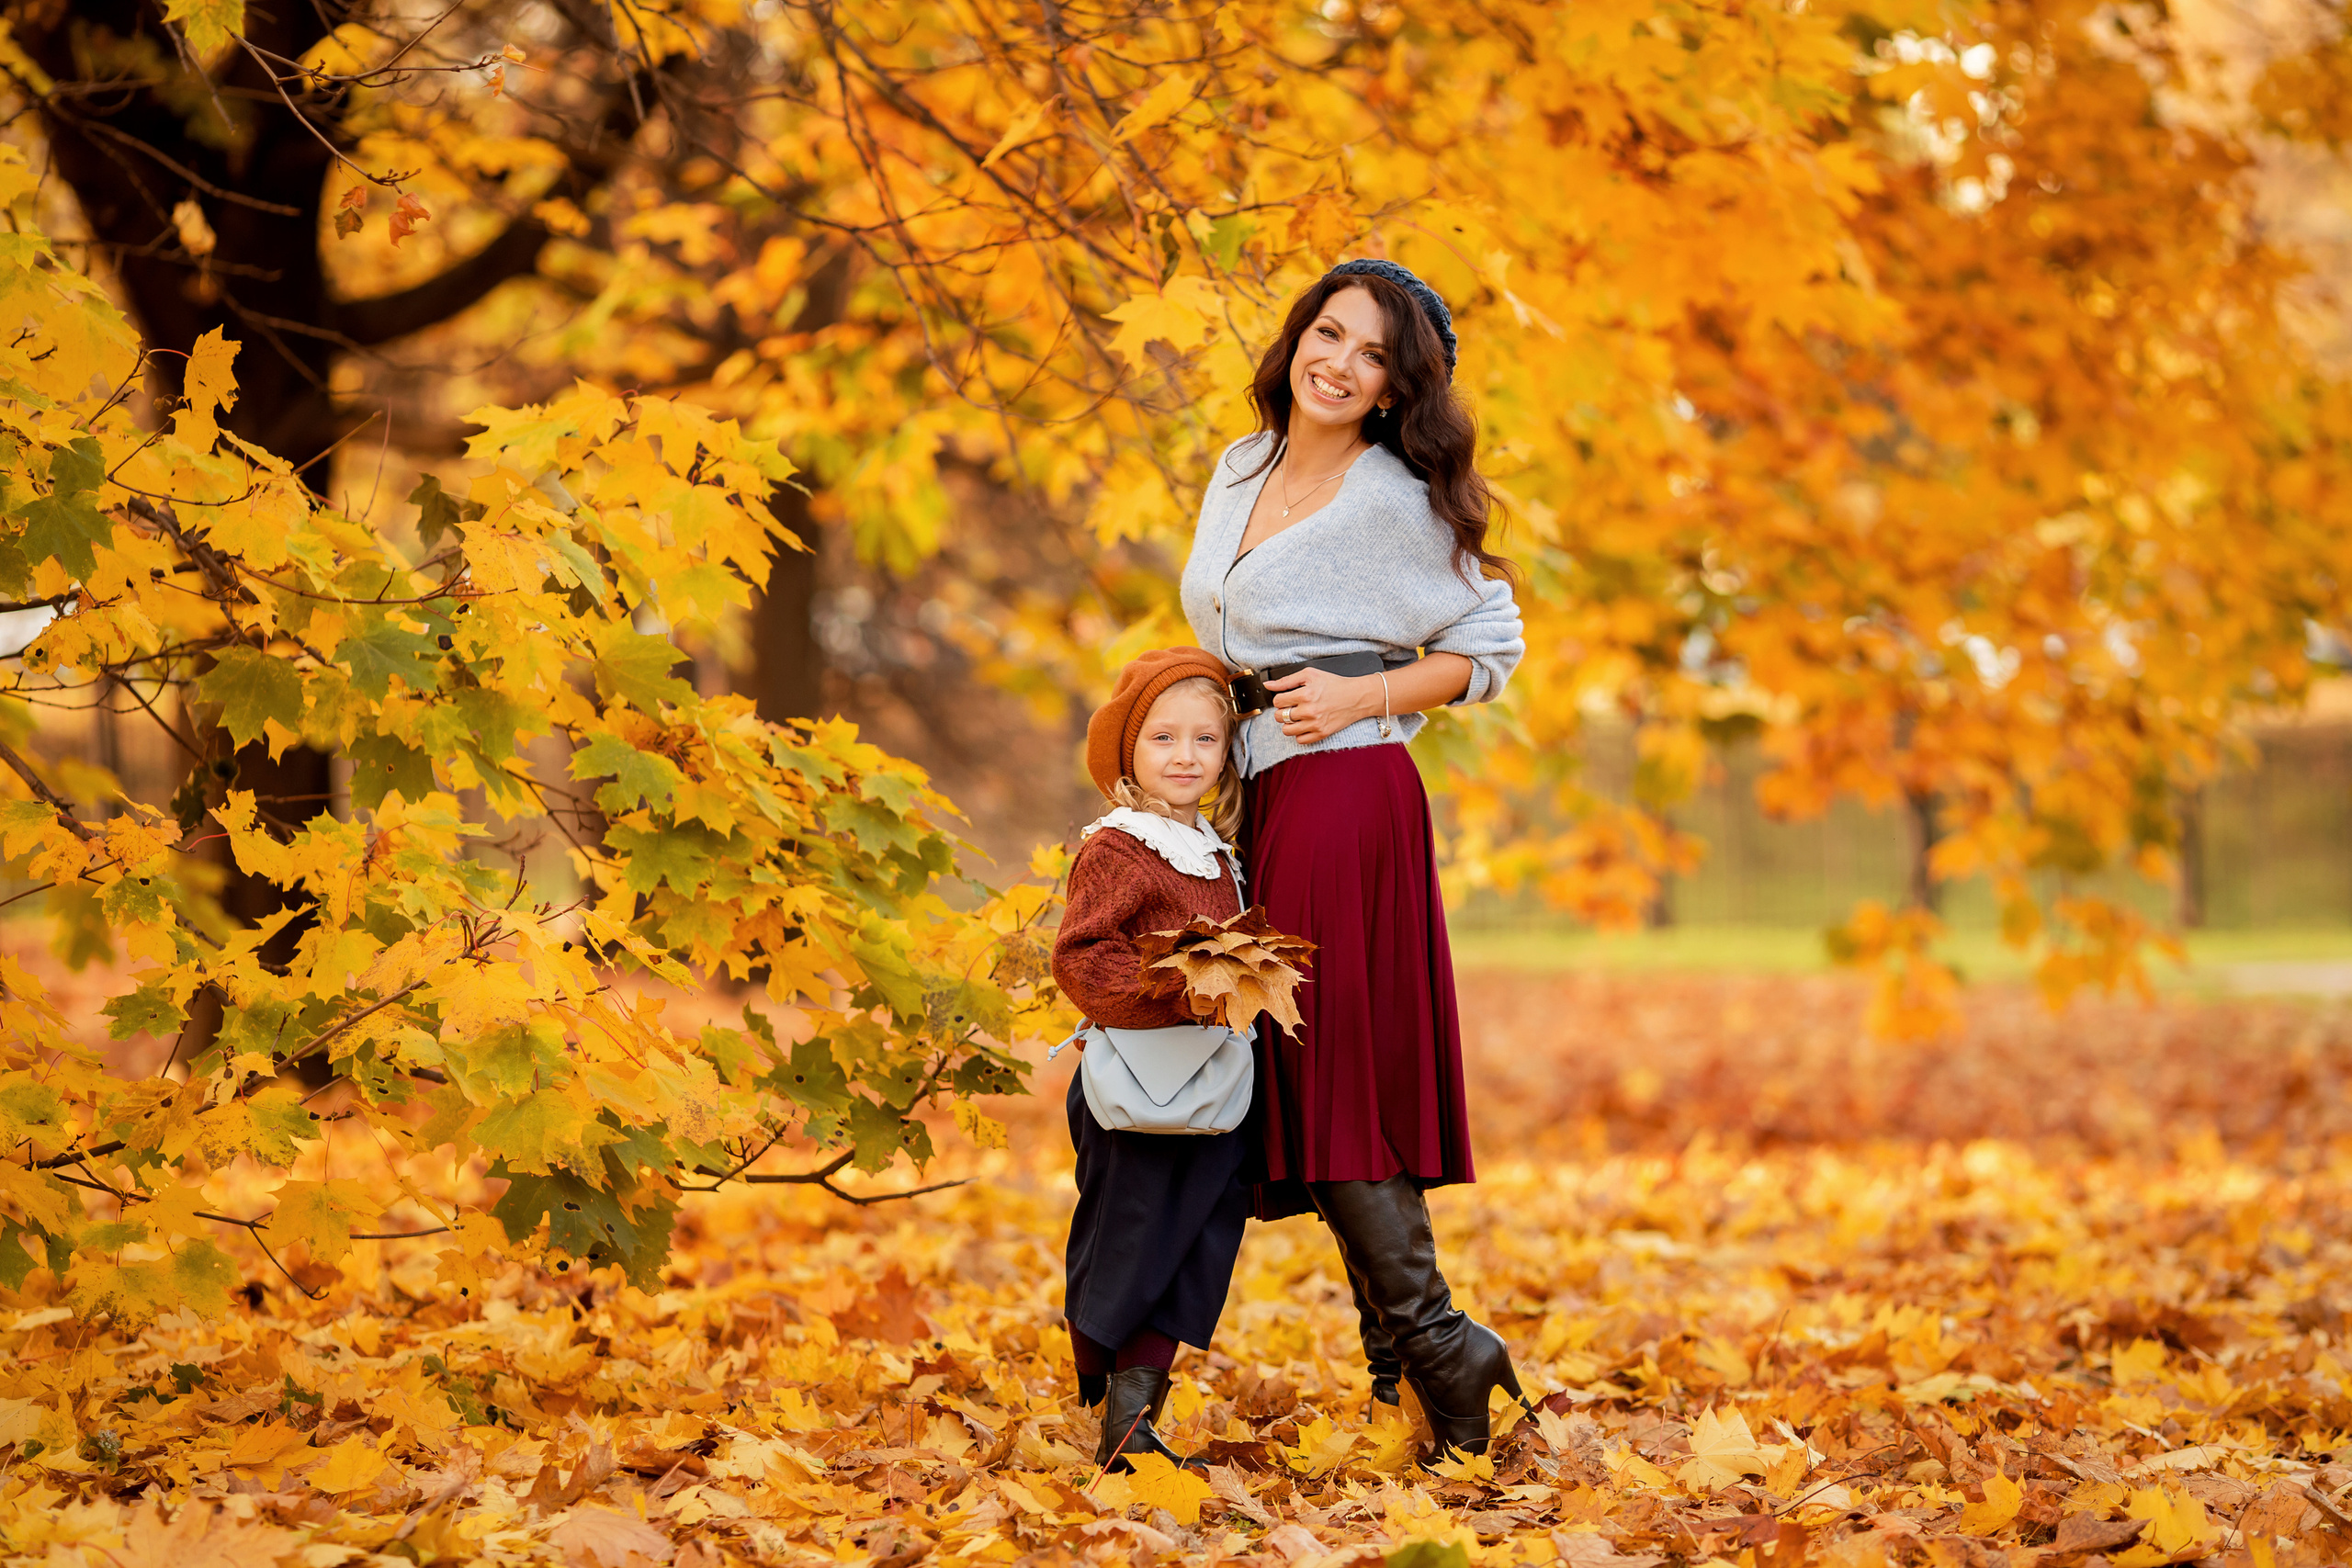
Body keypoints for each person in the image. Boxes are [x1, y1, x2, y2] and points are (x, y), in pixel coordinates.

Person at [1178, 257, 1529, 1456]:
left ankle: (1439, 1348)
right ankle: (1415, 1375)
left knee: (1330, 1085)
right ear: (1299, 336)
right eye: (1330, 333)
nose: (1340, 362)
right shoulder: (1240, 464)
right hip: (1266, 796)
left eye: (1373, 354)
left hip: (1348, 791)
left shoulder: (1393, 497)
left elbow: (1489, 641)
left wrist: (1366, 686)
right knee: (1326, 1085)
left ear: (1396, 386)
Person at [1052, 647, 1254, 1471]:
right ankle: (1123, 1425)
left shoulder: (1215, 846)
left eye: (1205, 740)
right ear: (1130, 751)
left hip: (1212, 1089)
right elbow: (1082, 959)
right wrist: (1186, 988)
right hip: (1137, 1089)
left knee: (1197, 1242)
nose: (1185, 756)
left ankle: (1139, 1414)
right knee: (1134, 1238)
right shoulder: (1119, 848)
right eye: (1165, 738)